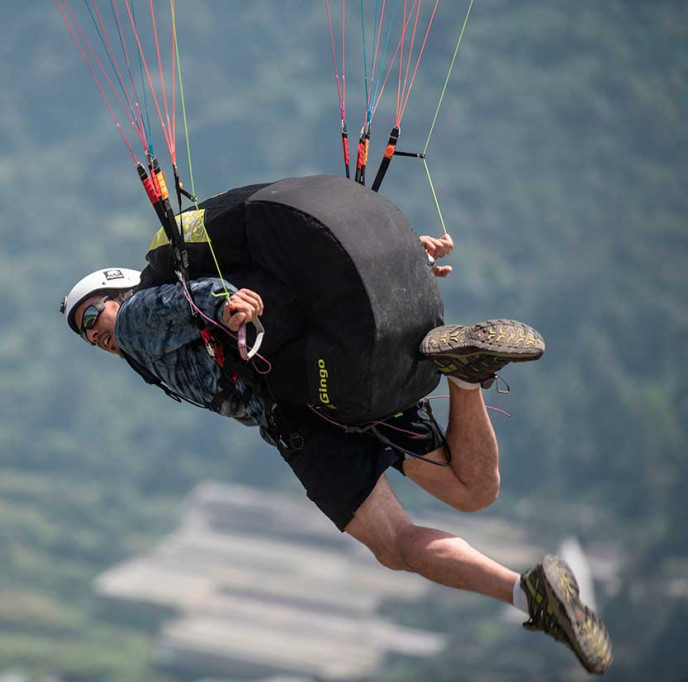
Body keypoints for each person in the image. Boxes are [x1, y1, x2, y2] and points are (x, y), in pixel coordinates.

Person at [60, 235, 613, 675]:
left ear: (120, 292)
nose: (94, 337)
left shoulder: (135, 320)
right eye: (85, 337)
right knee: (475, 489)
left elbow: (184, 301)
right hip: (341, 371)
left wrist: (226, 305)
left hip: (301, 416)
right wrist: (399, 261)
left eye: (90, 318)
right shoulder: (155, 332)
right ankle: (466, 379)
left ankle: (525, 594)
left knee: (395, 544)